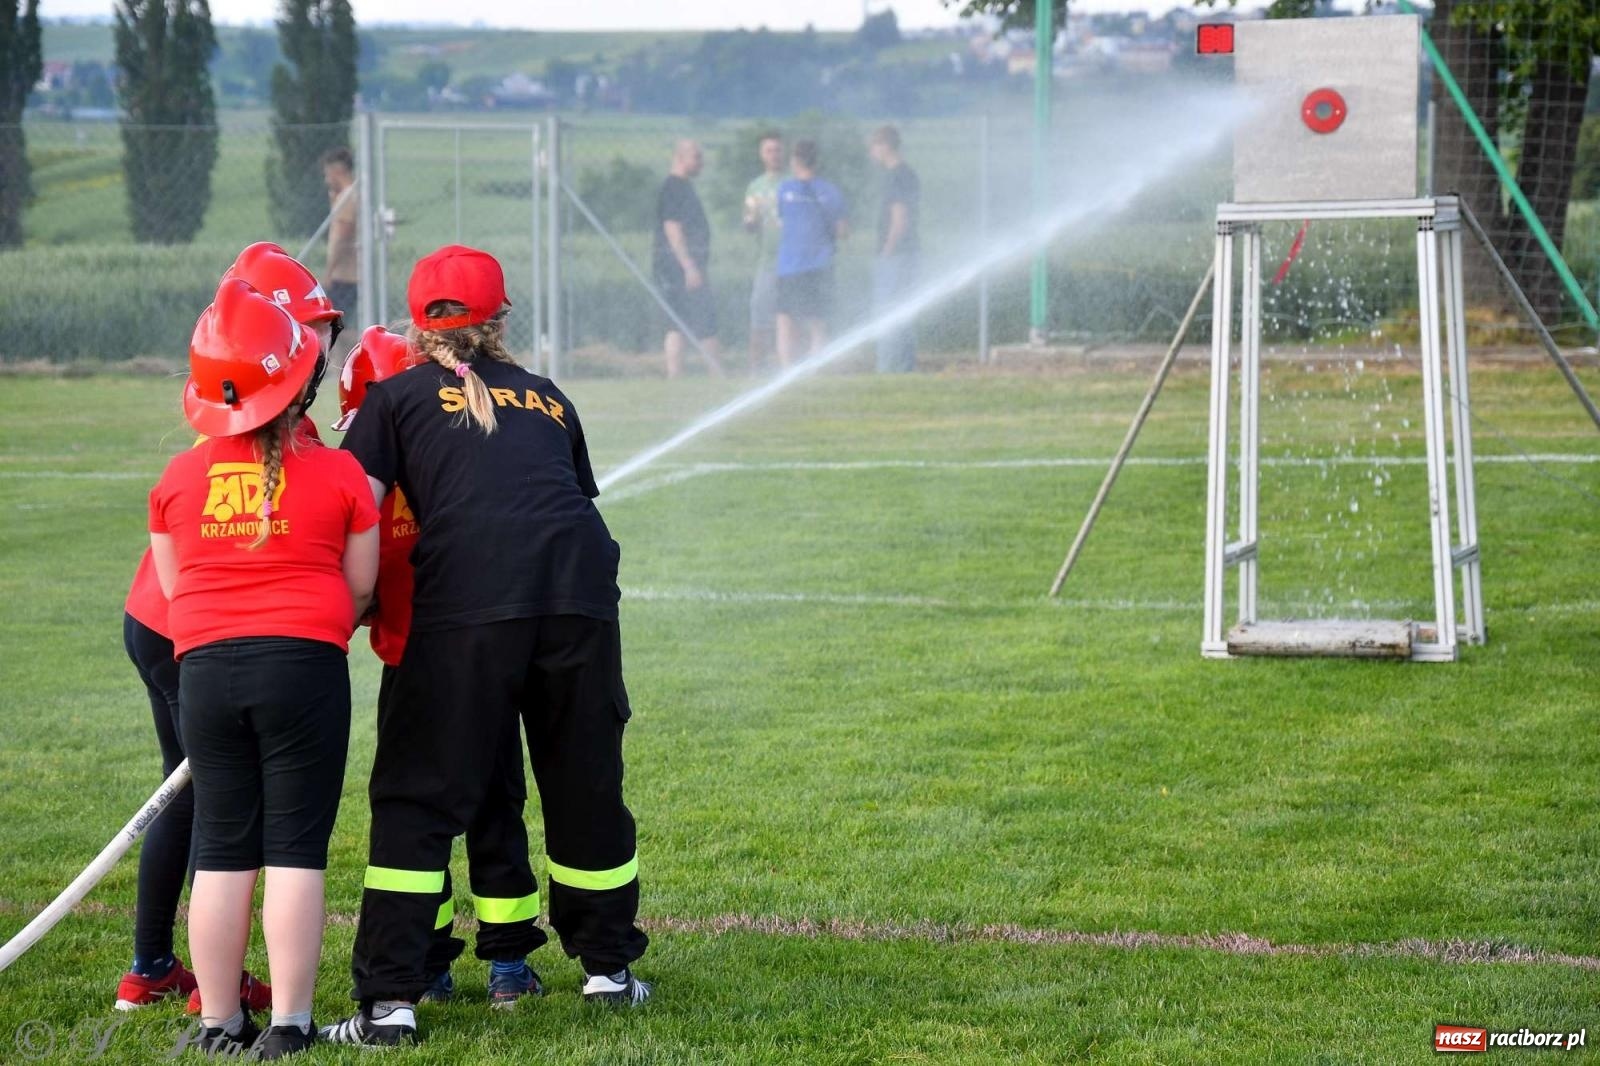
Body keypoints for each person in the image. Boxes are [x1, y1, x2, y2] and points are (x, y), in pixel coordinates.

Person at [323, 245, 649, 1048]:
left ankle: (392, 1003)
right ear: (501, 320)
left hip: (465, 604)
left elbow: (355, 518)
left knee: (417, 796)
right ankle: (609, 971)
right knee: (584, 783)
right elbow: (560, 499)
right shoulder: (548, 397)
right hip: (577, 600)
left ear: (416, 324)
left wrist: (326, 609)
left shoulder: (393, 399)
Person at [149, 278, 379, 1057]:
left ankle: (219, 1021)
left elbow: (179, 590)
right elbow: (359, 590)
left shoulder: (178, 479)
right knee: (294, 848)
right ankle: (290, 1023)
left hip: (205, 673)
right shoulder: (343, 475)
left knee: (220, 847)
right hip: (304, 669)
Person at [113, 242, 344, 1019]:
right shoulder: (272, 424)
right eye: (312, 336)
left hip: (175, 623)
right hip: (201, 631)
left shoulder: (233, 418)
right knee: (220, 813)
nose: (320, 356)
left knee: (194, 797)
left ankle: (156, 968)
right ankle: (198, 986)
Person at [333, 326, 546, 1010]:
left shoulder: (369, 484)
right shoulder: (466, 458)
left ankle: (427, 964)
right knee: (494, 807)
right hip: (489, 661)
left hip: (417, 670)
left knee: (412, 818)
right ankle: (510, 964)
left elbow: (359, 583)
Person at [652, 139, 723, 378]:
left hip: (681, 267)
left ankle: (680, 377)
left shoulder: (683, 186)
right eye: (697, 157)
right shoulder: (674, 187)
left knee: (679, 322)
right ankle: (716, 375)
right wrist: (689, 266)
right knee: (702, 320)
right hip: (679, 267)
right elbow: (673, 228)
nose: (701, 163)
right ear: (681, 158)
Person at [775, 139, 848, 368]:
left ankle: (787, 370)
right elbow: (843, 231)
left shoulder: (785, 190)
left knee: (785, 320)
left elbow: (782, 219)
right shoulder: (830, 191)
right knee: (817, 323)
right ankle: (814, 369)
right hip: (820, 265)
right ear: (817, 161)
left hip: (788, 266)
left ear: (794, 161)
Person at [869, 125, 920, 373]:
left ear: (885, 146)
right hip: (907, 254)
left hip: (897, 256)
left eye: (874, 146)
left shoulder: (896, 176)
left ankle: (888, 368)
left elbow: (900, 219)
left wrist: (887, 251)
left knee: (887, 312)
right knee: (902, 311)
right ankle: (905, 367)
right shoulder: (907, 173)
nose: (872, 152)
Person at [742, 131, 784, 371]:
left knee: (790, 315)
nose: (774, 155)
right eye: (769, 150)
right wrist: (750, 222)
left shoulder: (792, 182)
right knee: (760, 312)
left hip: (791, 261)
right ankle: (756, 368)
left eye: (777, 150)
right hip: (767, 260)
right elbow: (749, 222)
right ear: (761, 154)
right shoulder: (755, 187)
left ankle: (788, 364)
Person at [321, 146, 360, 326]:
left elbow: (342, 237)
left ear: (337, 171)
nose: (327, 180)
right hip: (353, 274)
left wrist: (328, 272)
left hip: (345, 276)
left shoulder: (347, 198)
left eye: (328, 175)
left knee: (338, 327)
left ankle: (345, 354)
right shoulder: (353, 194)